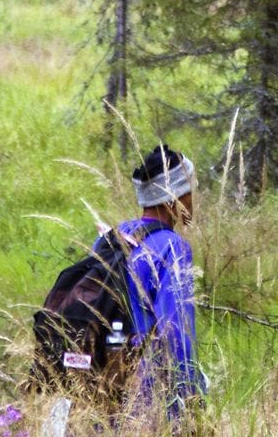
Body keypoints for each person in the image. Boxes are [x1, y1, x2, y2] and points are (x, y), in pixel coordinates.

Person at [115, 144, 206, 429]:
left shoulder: (113, 236)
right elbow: (176, 333)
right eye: (191, 190)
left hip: (105, 389)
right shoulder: (173, 248)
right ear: (174, 197)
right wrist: (192, 401)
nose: (194, 200)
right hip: (148, 399)